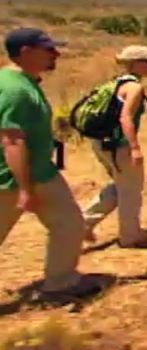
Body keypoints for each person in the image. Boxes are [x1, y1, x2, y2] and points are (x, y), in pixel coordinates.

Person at [0, 28, 97, 297]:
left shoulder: (24, 82)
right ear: (26, 53)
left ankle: (61, 281)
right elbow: (12, 141)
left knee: (70, 223)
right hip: (11, 179)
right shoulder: (15, 90)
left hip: (41, 173)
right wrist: (24, 188)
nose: (56, 54)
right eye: (49, 50)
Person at [82, 45, 147, 248]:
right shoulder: (135, 87)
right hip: (119, 145)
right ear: (135, 64)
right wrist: (134, 147)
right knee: (131, 190)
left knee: (122, 186)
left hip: (102, 143)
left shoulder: (115, 83)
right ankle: (130, 235)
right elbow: (126, 118)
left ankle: (83, 222)